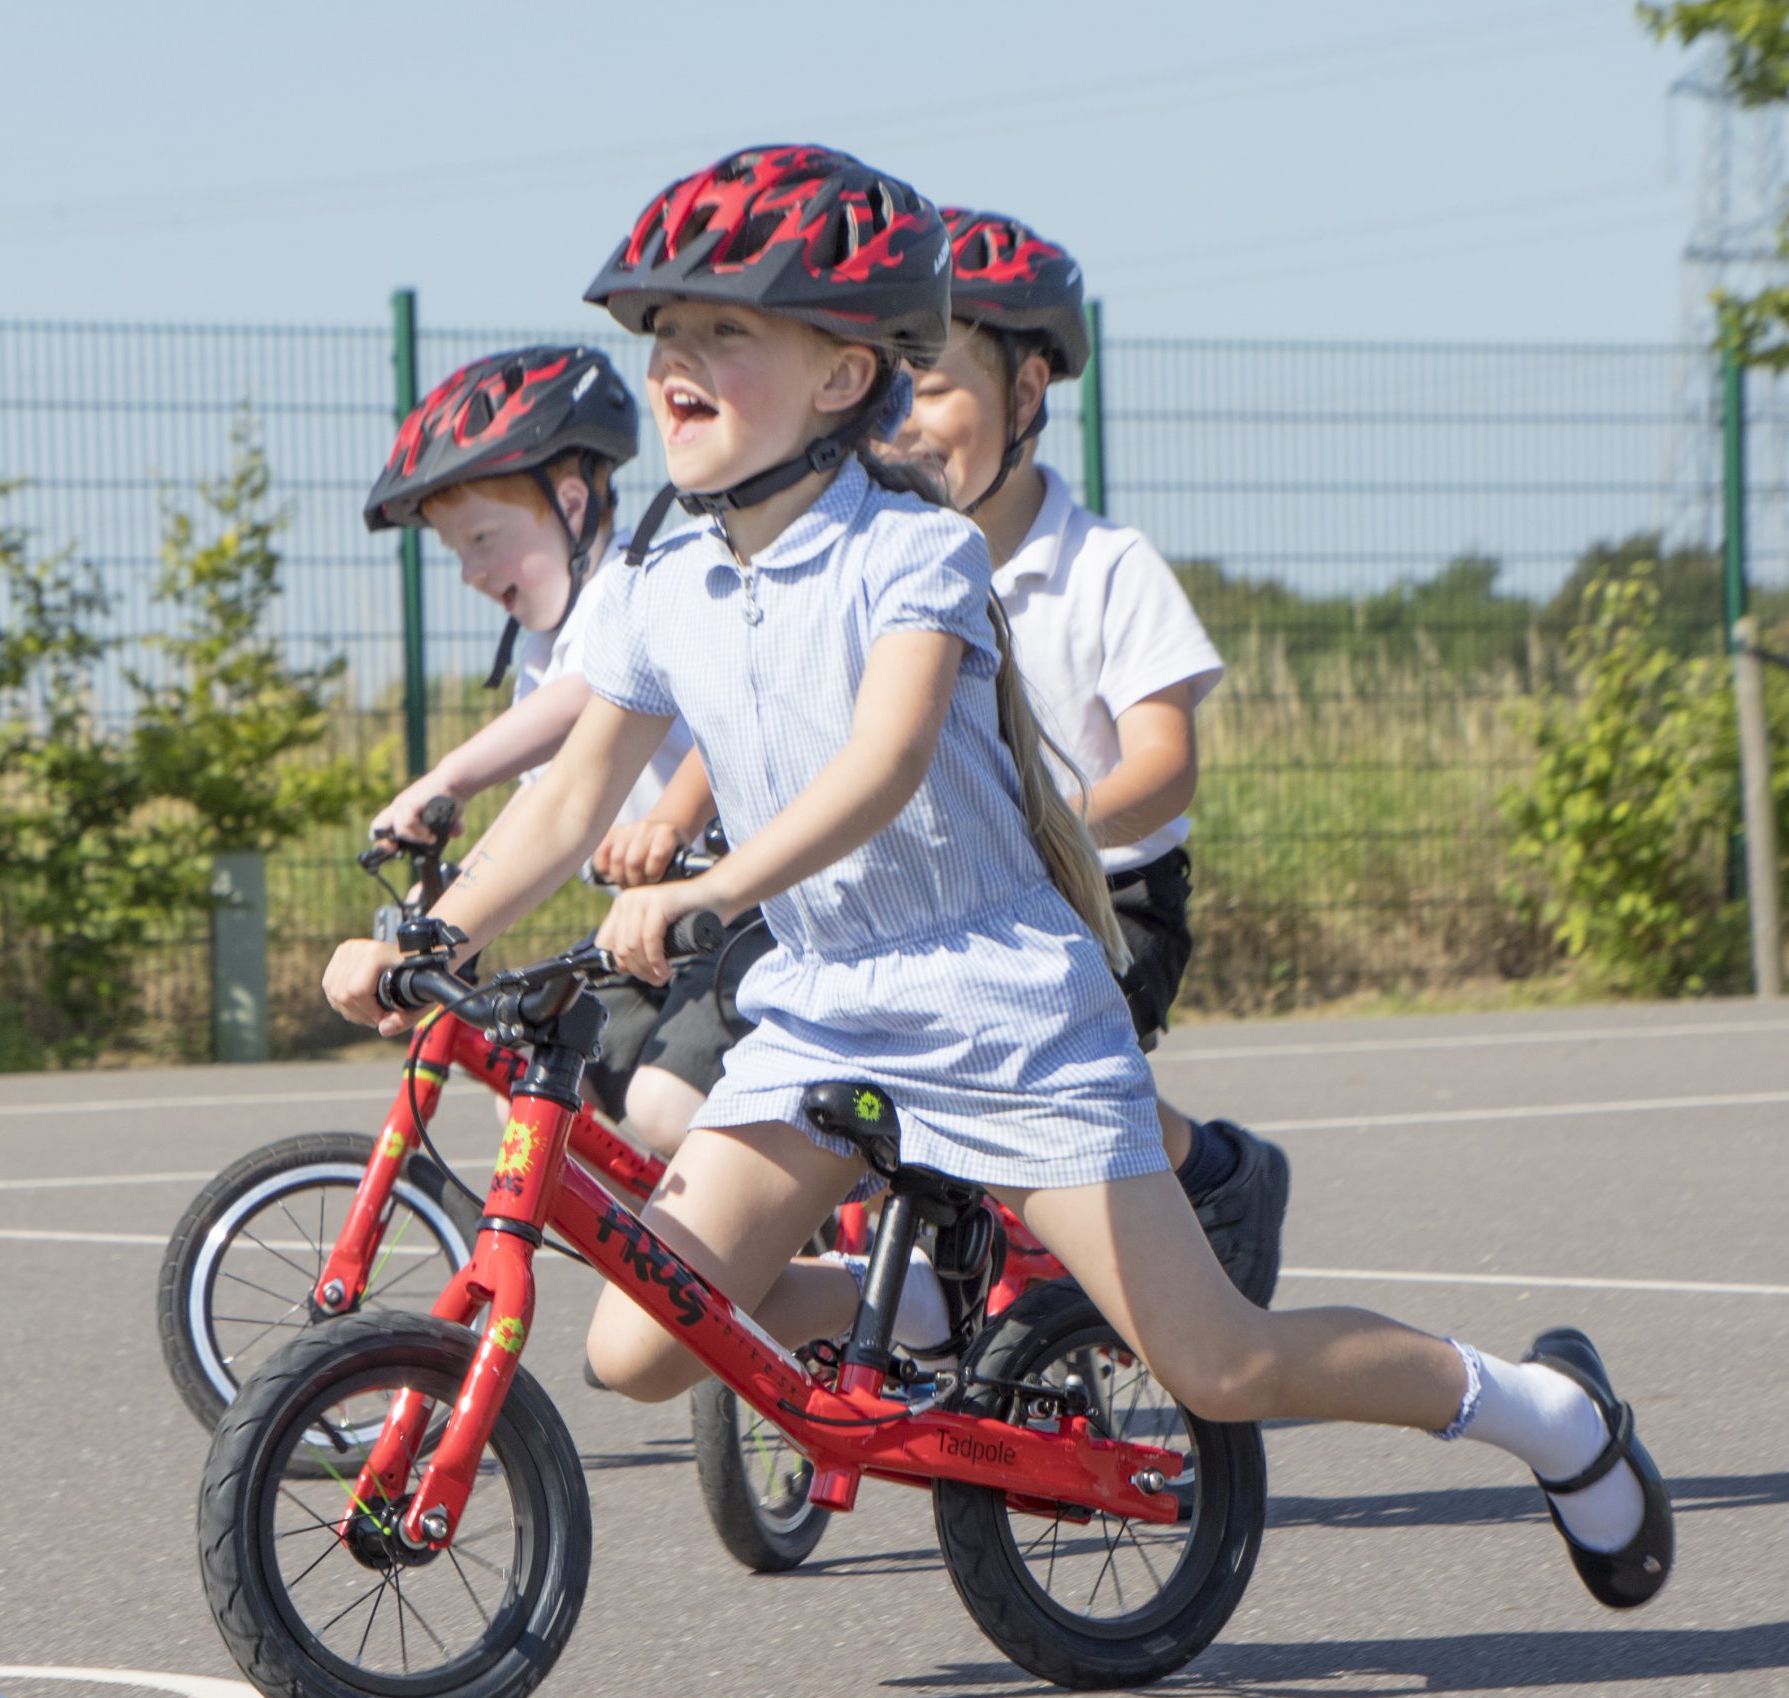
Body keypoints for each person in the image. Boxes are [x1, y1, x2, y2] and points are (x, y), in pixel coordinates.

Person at [324, 145, 1670, 1611]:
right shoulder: (665, 585)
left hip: (1001, 999)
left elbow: (882, 766)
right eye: (664, 335)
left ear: (845, 376)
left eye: (726, 331)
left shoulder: (913, 554)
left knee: (1215, 1361)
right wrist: (422, 937)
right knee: (638, 1342)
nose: (675, 362)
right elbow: (570, 791)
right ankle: (926, 1293)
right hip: (829, 1005)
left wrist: (713, 894)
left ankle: (1550, 1413)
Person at [882, 206, 1288, 1304]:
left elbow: (1165, 763)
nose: (900, 423)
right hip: (955, 902)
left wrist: (1051, 824)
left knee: (1030, 1058)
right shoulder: (882, 579)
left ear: (1025, 396)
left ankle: (1213, 1172)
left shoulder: (1106, 566)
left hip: (1108, 897)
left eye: (929, 387)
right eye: (882, 389)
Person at [361, 345, 723, 1153]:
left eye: (484, 538)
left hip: (732, 914)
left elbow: (587, 701)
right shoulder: (543, 647)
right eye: (458, 552)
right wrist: (447, 913)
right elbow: (547, 799)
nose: (471, 572)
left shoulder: (633, 583)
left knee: (667, 1109)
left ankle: (785, 1258)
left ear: (569, 501)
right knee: (535, 1088)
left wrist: (449, 775)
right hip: (646, 929)